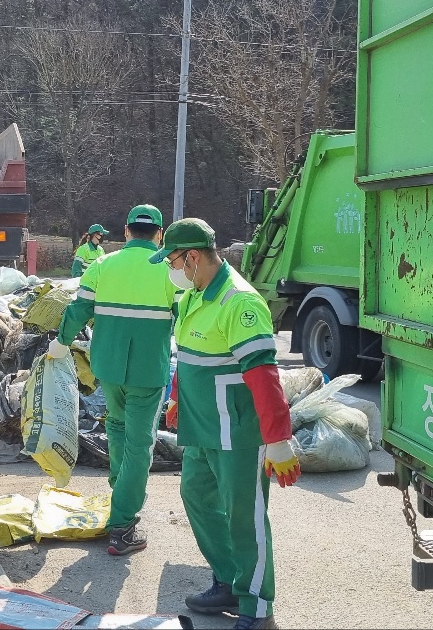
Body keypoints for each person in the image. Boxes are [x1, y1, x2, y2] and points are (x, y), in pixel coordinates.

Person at [149, 218, 301, 630]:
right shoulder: (194, 296)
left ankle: (257, 606)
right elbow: (190, 356)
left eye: (173, 261)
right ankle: (231, 580)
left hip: (238, 431)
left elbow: (264, 376)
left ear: (193, 258)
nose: (171, 270)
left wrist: (278, 439)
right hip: (202, 427)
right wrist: (178, 397)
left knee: (245, 517)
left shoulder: (240, 303)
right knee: (197, 496)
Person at [49, 204, 177, 556]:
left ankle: (118, 495)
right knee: (139, 444)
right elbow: (184, 318)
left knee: (117, 430)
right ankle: (122, 523)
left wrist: (61, 343)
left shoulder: (103, 265)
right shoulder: (170, 270)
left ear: (125, 232)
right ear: (160, 234)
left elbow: (78, 309)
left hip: (108, 369)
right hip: (148, 373)